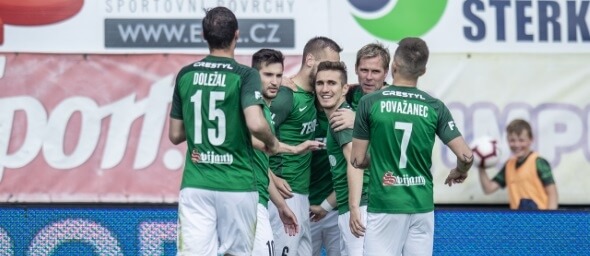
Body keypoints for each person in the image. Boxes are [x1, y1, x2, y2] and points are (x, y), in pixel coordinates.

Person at [168, 6, 279, 256]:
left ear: (203, 35)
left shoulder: (186, 74)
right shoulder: (245, 74)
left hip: (197, 183)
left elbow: (175, 135)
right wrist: (272, 143)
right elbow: (256, 123)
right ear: (236, 35)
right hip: (237, 183)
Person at [349, 37, 474, 256]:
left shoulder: (369, 103)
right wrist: (460, 171)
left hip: (385, 203)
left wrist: (381, 156)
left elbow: (357, 160)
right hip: (421, 207)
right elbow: (466, 155)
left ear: (393, 67)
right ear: (423, 71)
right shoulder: (435, 107)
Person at [268, 36, 342, 256]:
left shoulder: (314, 96)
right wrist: (271, 177)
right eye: (327, 64)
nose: (330, 71)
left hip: (302, 198)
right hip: (282, 196)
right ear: (310, 59)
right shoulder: (285, 96)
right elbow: (252, 140)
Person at [314, 60, 369, 256]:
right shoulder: (339, 118)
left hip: (359, 209)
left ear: (345, 88)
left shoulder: (340, 119)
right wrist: (324, 207)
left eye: (332, 83)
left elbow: (356, 164)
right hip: (354, 207)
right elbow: (344, 177)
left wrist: (354, 208)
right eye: (320, 83)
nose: (325, 89)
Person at [477, 119, 558, 210]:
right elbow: (489, 188)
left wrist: (550, 219)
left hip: (539, 220)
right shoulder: (509, 165)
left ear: (531, 140)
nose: (516, 144)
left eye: (521, 140)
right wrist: (481, 164)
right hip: (518, 221)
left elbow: (552, 193)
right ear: (507, 140)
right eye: (512, 140)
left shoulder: (538, 162)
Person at [329, 42, 391, 132]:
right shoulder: (349, 92)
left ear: (385, 73)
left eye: (375, 71)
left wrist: (357, 121)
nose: (369, 77)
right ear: (356, 69)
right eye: (364, 70)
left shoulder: (394, 99)